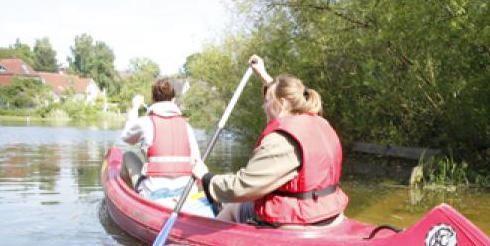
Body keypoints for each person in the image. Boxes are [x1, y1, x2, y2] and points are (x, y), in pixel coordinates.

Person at [191, 55, 348, 226]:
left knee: (232, 207)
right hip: (328, 211)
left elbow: (242, 188)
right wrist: (263, 75)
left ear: (281, 103)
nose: (263, 107)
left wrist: (206, 179)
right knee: (236, 201)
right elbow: (286, 93)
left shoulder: (281, 139)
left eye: (266, 102)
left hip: (301, 219)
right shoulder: (319, 122)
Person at [120, 78, 214, 217]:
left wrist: (134, 107)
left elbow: (126, 137)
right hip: (186, 194)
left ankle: (132, 204)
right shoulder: (186, 126)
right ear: (173, 100)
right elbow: (196, 161)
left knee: (127, 156)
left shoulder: (146, 123)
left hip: (154, 194)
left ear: (153, 99)